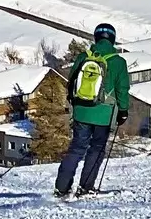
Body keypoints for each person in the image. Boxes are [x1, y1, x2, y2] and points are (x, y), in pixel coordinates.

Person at [54, 22, 132, 198]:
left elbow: (71, 82)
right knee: (96, 149)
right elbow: (122, 89)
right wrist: (123, 111)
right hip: (103, 115)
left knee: (76, 148)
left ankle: (61, 188)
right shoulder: (118, 62)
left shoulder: (83, 57)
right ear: (112, 39)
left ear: (96, 38)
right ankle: (85, 187)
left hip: (81, 111)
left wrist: (73, 102)